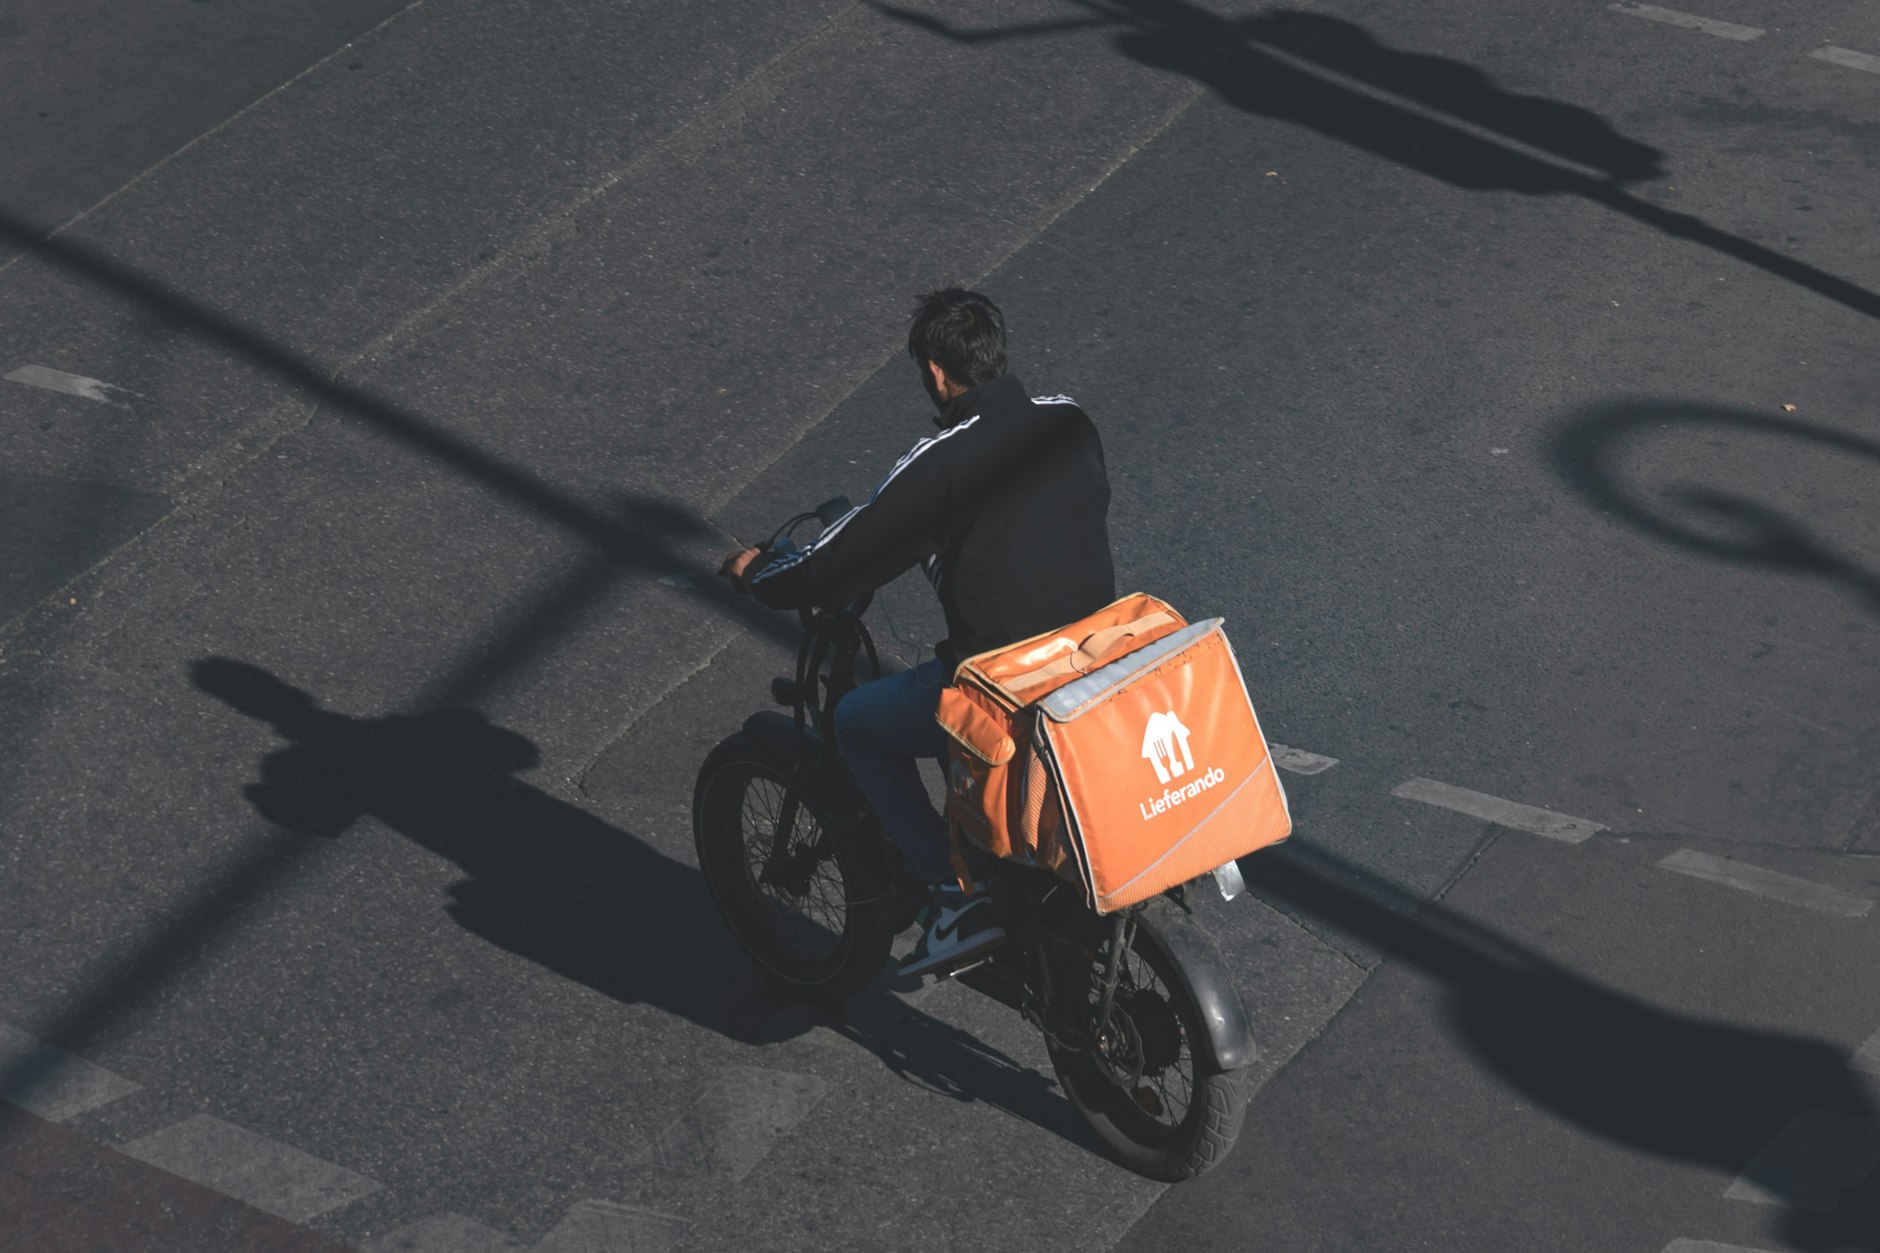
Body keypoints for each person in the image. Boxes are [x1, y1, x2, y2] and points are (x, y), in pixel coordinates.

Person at [722, 287, 1116, 975]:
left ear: (936, 371)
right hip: (1098, 660)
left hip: (1005, 685)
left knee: (857, 721)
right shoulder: (1071, 421)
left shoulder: (941, 460)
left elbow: (841, 554)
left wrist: (761, 573)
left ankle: (950, 891)